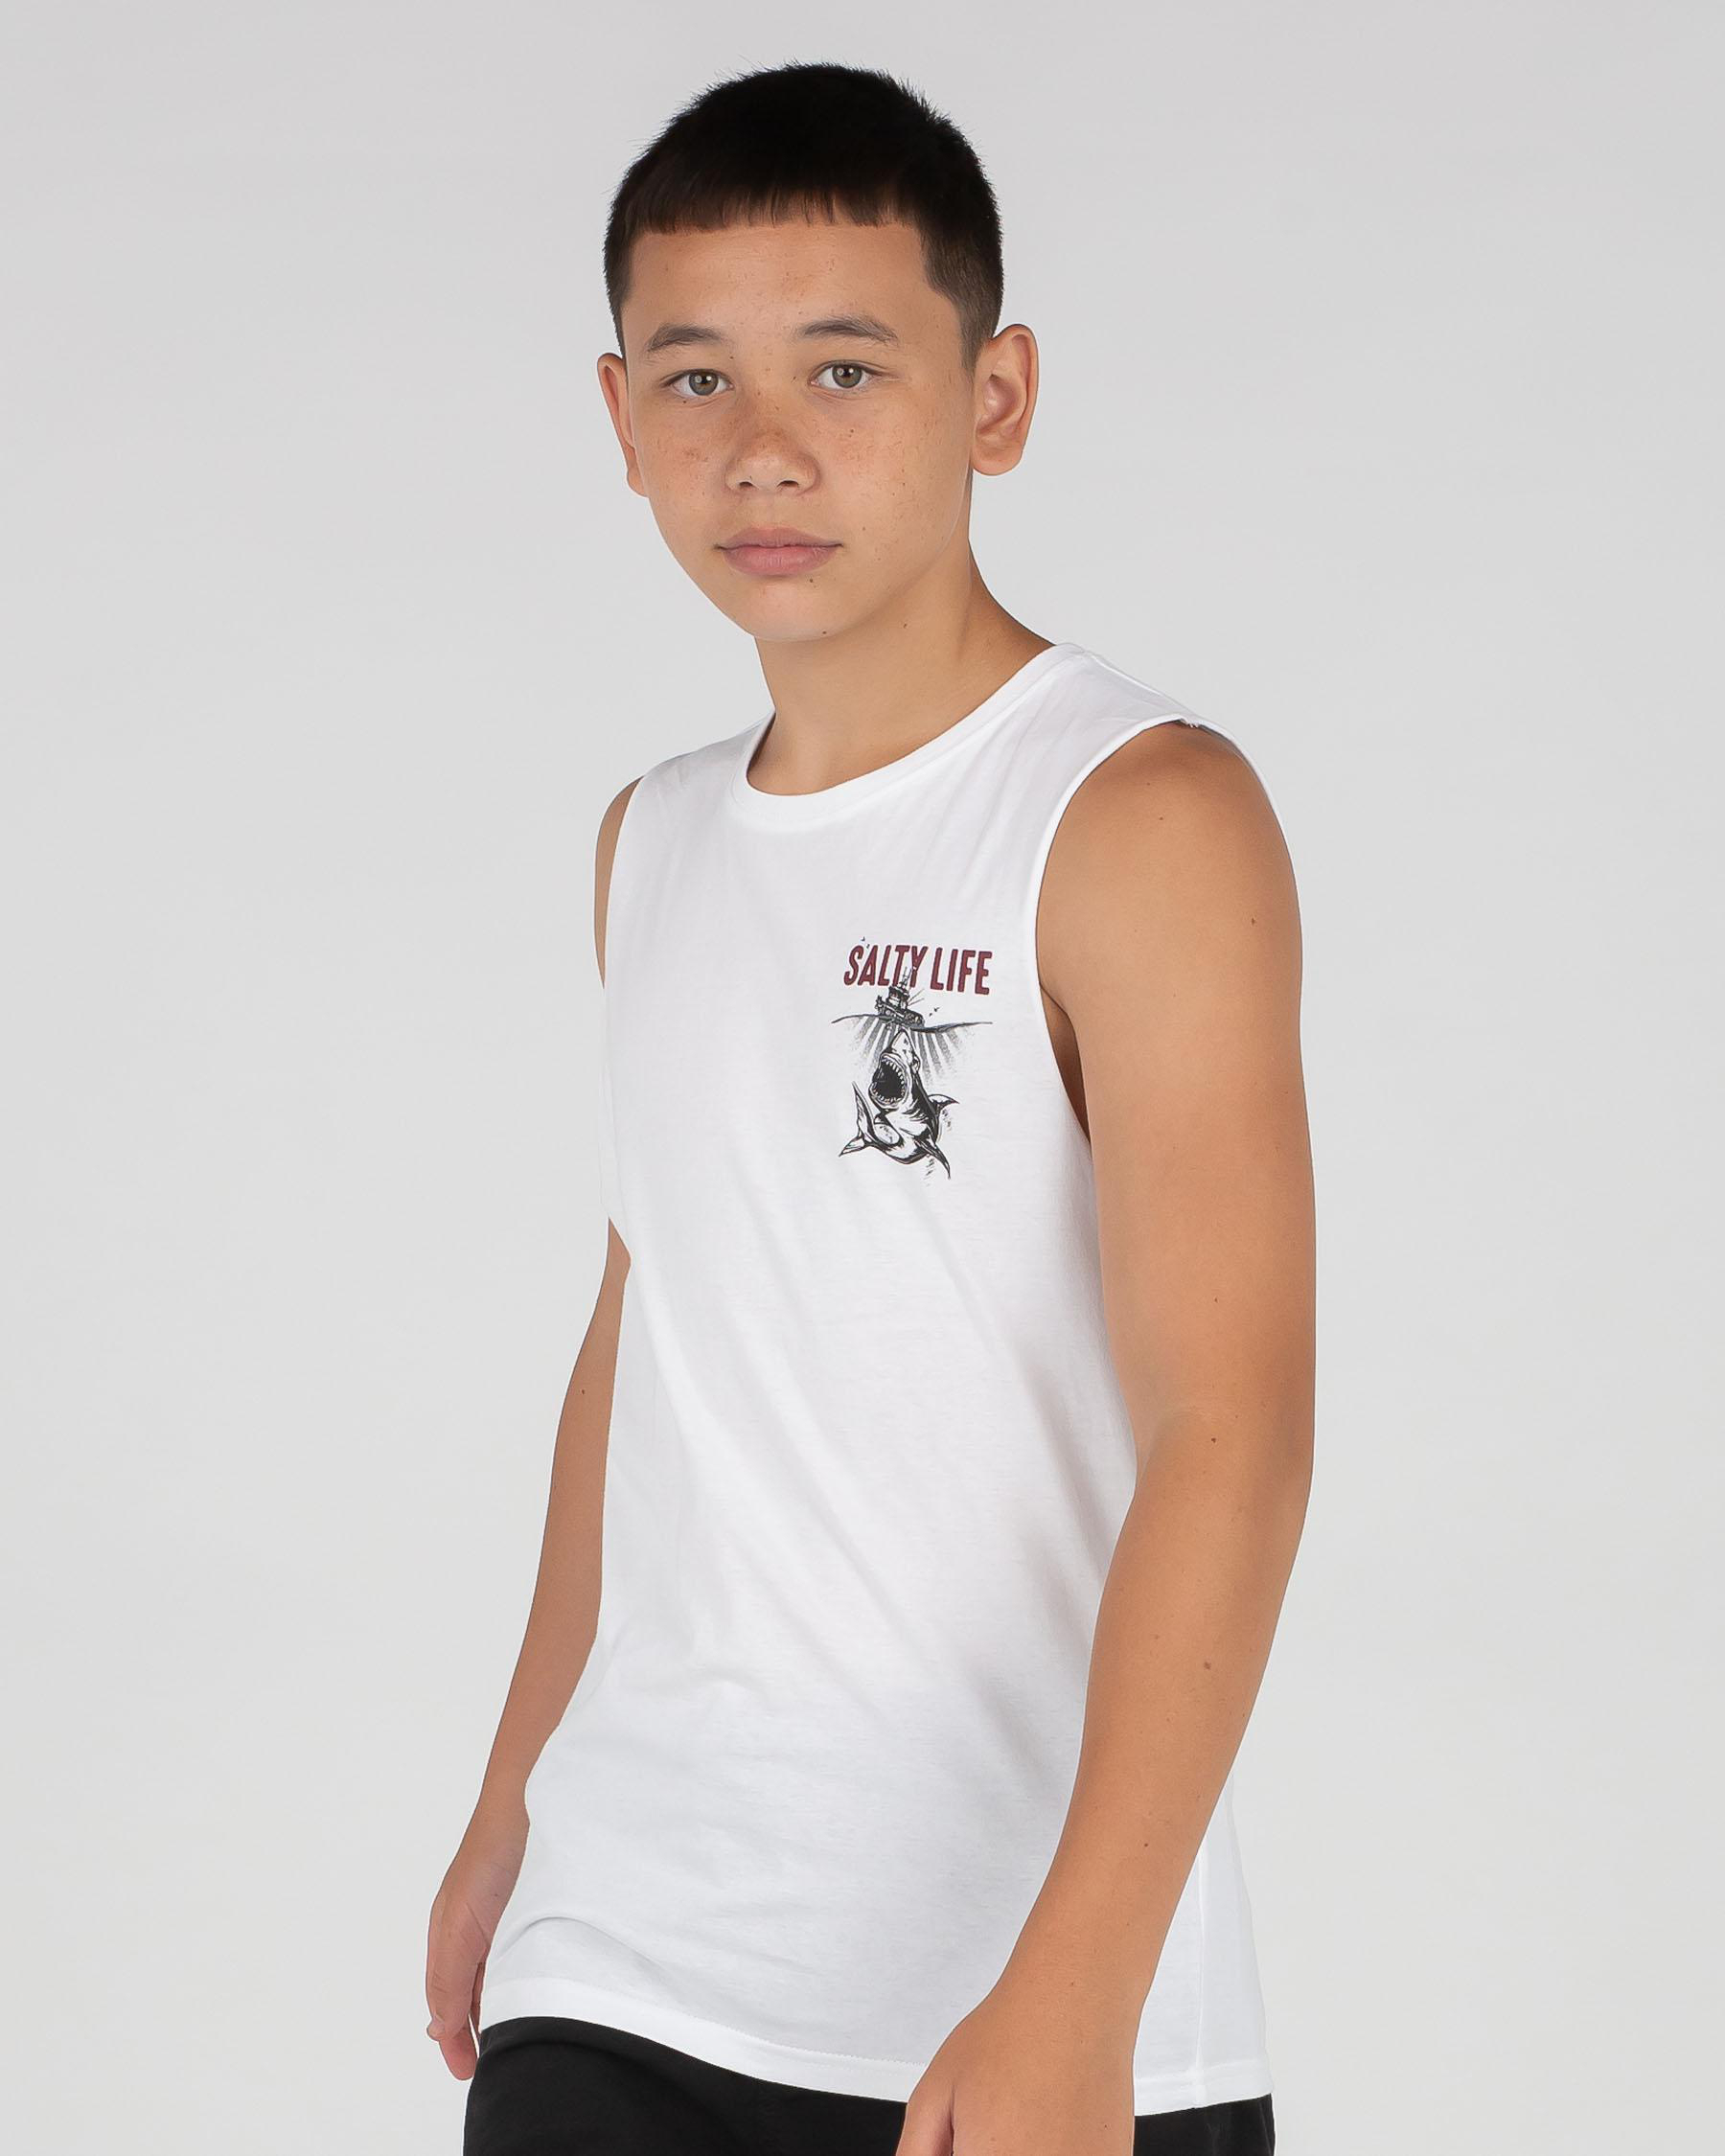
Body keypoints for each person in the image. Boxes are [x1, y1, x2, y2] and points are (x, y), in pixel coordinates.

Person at [428, 59, 1314, 2156]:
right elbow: (650, 1329)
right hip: (626, 1957)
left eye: (845, 368)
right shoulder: (648, 843)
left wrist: (1078, 1993)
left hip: (1016, 2002)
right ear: (620, 418)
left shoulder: (1137, 817)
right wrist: (511, 1800)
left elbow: (1236, 1424)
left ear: (995, 396)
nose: (764, 447)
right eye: (695, 379)